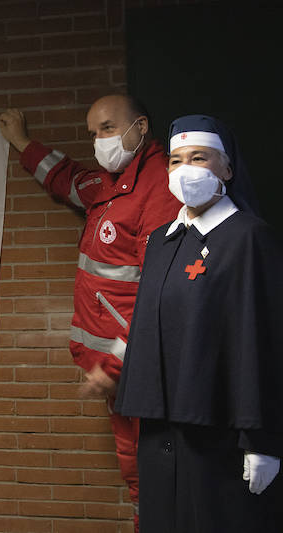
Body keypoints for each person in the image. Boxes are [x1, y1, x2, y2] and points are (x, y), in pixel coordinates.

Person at [0, 95, 181, 529]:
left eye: (107, 128)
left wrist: (116, 363)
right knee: (138, 474)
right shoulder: (113, 183)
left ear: (140, 126)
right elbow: (71, 180)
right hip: (120, 375)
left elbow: (161, 292)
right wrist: (25, 144)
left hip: (144, 371)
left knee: (157, 473)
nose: (99, 140)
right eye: (93, 133)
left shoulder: (160, 188)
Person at [115, 115, 283, 532]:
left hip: (221, 436)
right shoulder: (160, 242)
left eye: (199, 157)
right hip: (160, 432)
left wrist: (263, 441)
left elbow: (263, 342)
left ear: (226, 168)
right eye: (175, 160)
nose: (185, 169)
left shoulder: (248, 238)